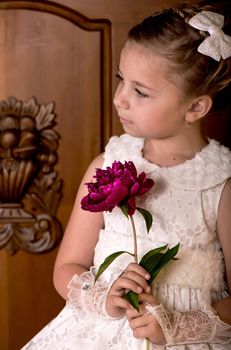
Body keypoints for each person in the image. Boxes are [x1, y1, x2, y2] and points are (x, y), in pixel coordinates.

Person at [22, 2, 231, 349]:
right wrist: (101, 296)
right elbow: (68, 266)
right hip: (101, 331)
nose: (120, 99)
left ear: (195, 107)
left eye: (140, 91)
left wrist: (177, 327)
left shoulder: (220, 182)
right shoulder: (109, 163)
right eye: (122, 80)